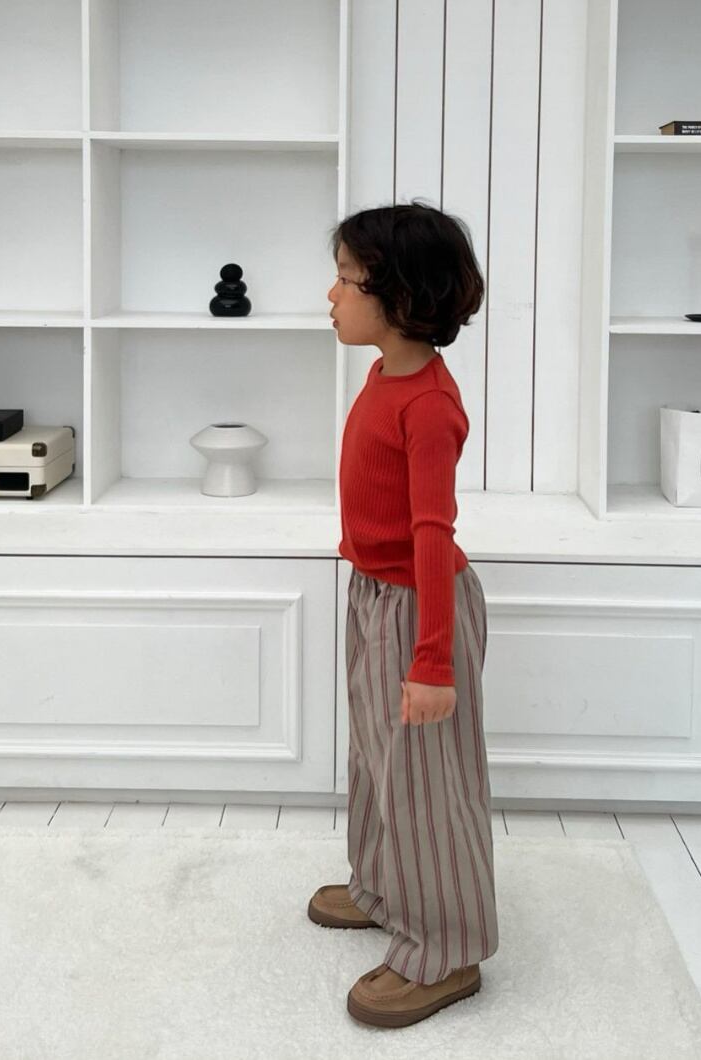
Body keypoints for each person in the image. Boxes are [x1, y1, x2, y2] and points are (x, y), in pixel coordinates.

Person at [314, 200, 498, 1029]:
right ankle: (386, 888)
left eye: (346, 282)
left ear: (398, 297)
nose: (331, 296)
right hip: (375, 592)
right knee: (377, 760)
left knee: (424, 781)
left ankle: (445, 950)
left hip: (419, 606)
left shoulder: (428, 406)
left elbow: (433, 533)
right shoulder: (384, 374)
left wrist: (432, 662)